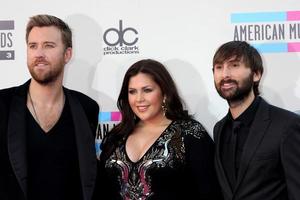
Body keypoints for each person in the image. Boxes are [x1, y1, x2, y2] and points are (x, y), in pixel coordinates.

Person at [0, 14, 99, 200]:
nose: (39, 54)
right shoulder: (3, 104)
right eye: (33, 46)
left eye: (48, 45)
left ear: (67, 54)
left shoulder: (87, 108)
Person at [94, 59, 222, 200]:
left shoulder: (190, 133)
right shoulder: (117, 136)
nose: (139, 99)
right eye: (132, 92)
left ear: (164, 92)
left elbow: (210, 192)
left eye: (147, 90)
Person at [212, 40, 300, 200]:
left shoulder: (287, 125)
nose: (225, 74)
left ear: (256, 74)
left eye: (234, 65)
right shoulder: (219, 129)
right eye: (219, 67)